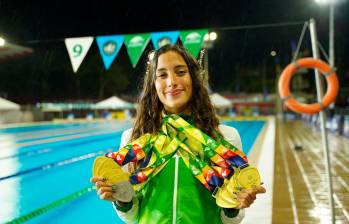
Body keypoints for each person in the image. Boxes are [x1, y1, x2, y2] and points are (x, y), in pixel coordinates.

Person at [91, 44, 266, 224]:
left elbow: (231, 220)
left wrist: (234, 203)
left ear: (194, 79)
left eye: (180, 72)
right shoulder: (134, 139)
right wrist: (121, 198)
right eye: (162, 75)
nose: (171, 82)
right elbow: (132, 215)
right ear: (153, 84)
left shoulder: (224, 138)